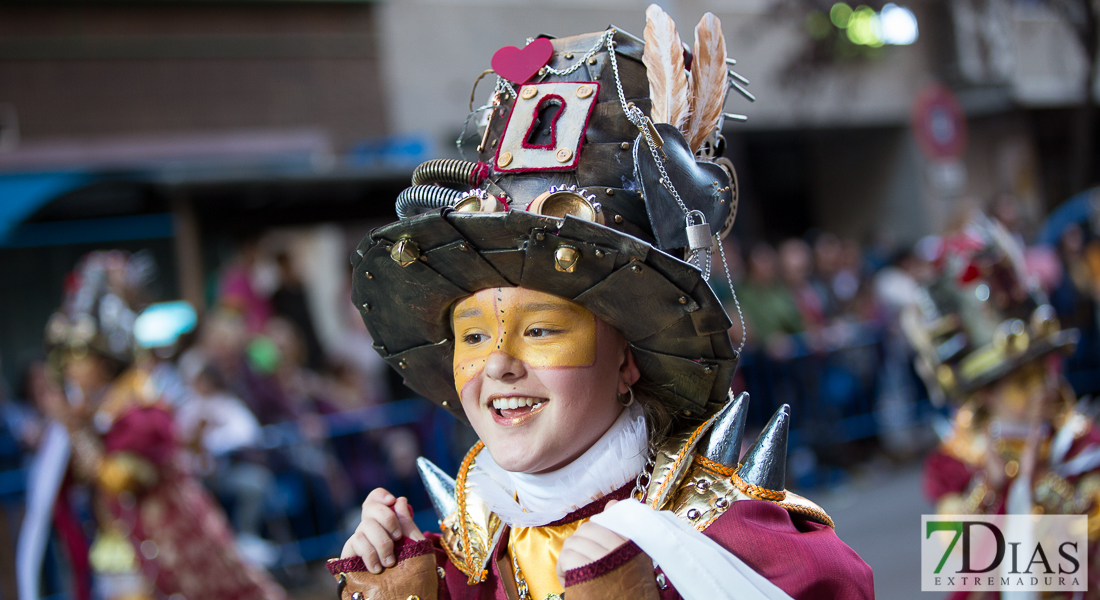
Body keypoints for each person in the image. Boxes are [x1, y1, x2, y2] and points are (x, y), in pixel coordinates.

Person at [328, 9, 873, 600]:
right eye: (475, 336)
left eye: (539, 331)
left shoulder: (746, 546)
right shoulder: (464, 564)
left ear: (626, 361)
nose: (497, 366)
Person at [25, 250, 286, 600]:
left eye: (77, 360)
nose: (70, 372)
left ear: (103, 362)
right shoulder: (105, 406)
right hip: (131, 545)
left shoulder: (138, 404)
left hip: (173, 538)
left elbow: (122, 477)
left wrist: (75, 429)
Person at [904, 213, 1100, 594]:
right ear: (984, 393)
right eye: (1021, 382)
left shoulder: (1082, 444)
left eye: (1044, 372)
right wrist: (990, 489)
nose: (1041, 389)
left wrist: (1039, 481)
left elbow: (1086, 560)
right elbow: (955, 567)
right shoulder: (954, 462)